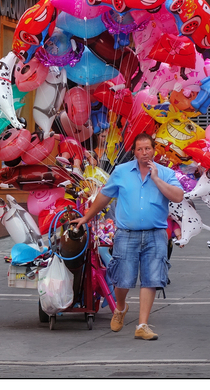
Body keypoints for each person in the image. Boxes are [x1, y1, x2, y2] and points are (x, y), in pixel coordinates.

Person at [71, 132, 184, 340]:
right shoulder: (121, 172)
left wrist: (156, 179)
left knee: (151, 279)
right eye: (140, 149)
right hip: (126, 234)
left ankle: (142, 325)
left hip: (156, 234)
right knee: (122, 279)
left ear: (154, 150)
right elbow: (104, 197)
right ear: (134, 152)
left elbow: (178, 196)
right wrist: (85, 218)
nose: (144, 153)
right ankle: (120, 308)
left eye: (147, 149)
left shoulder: (166, 173)